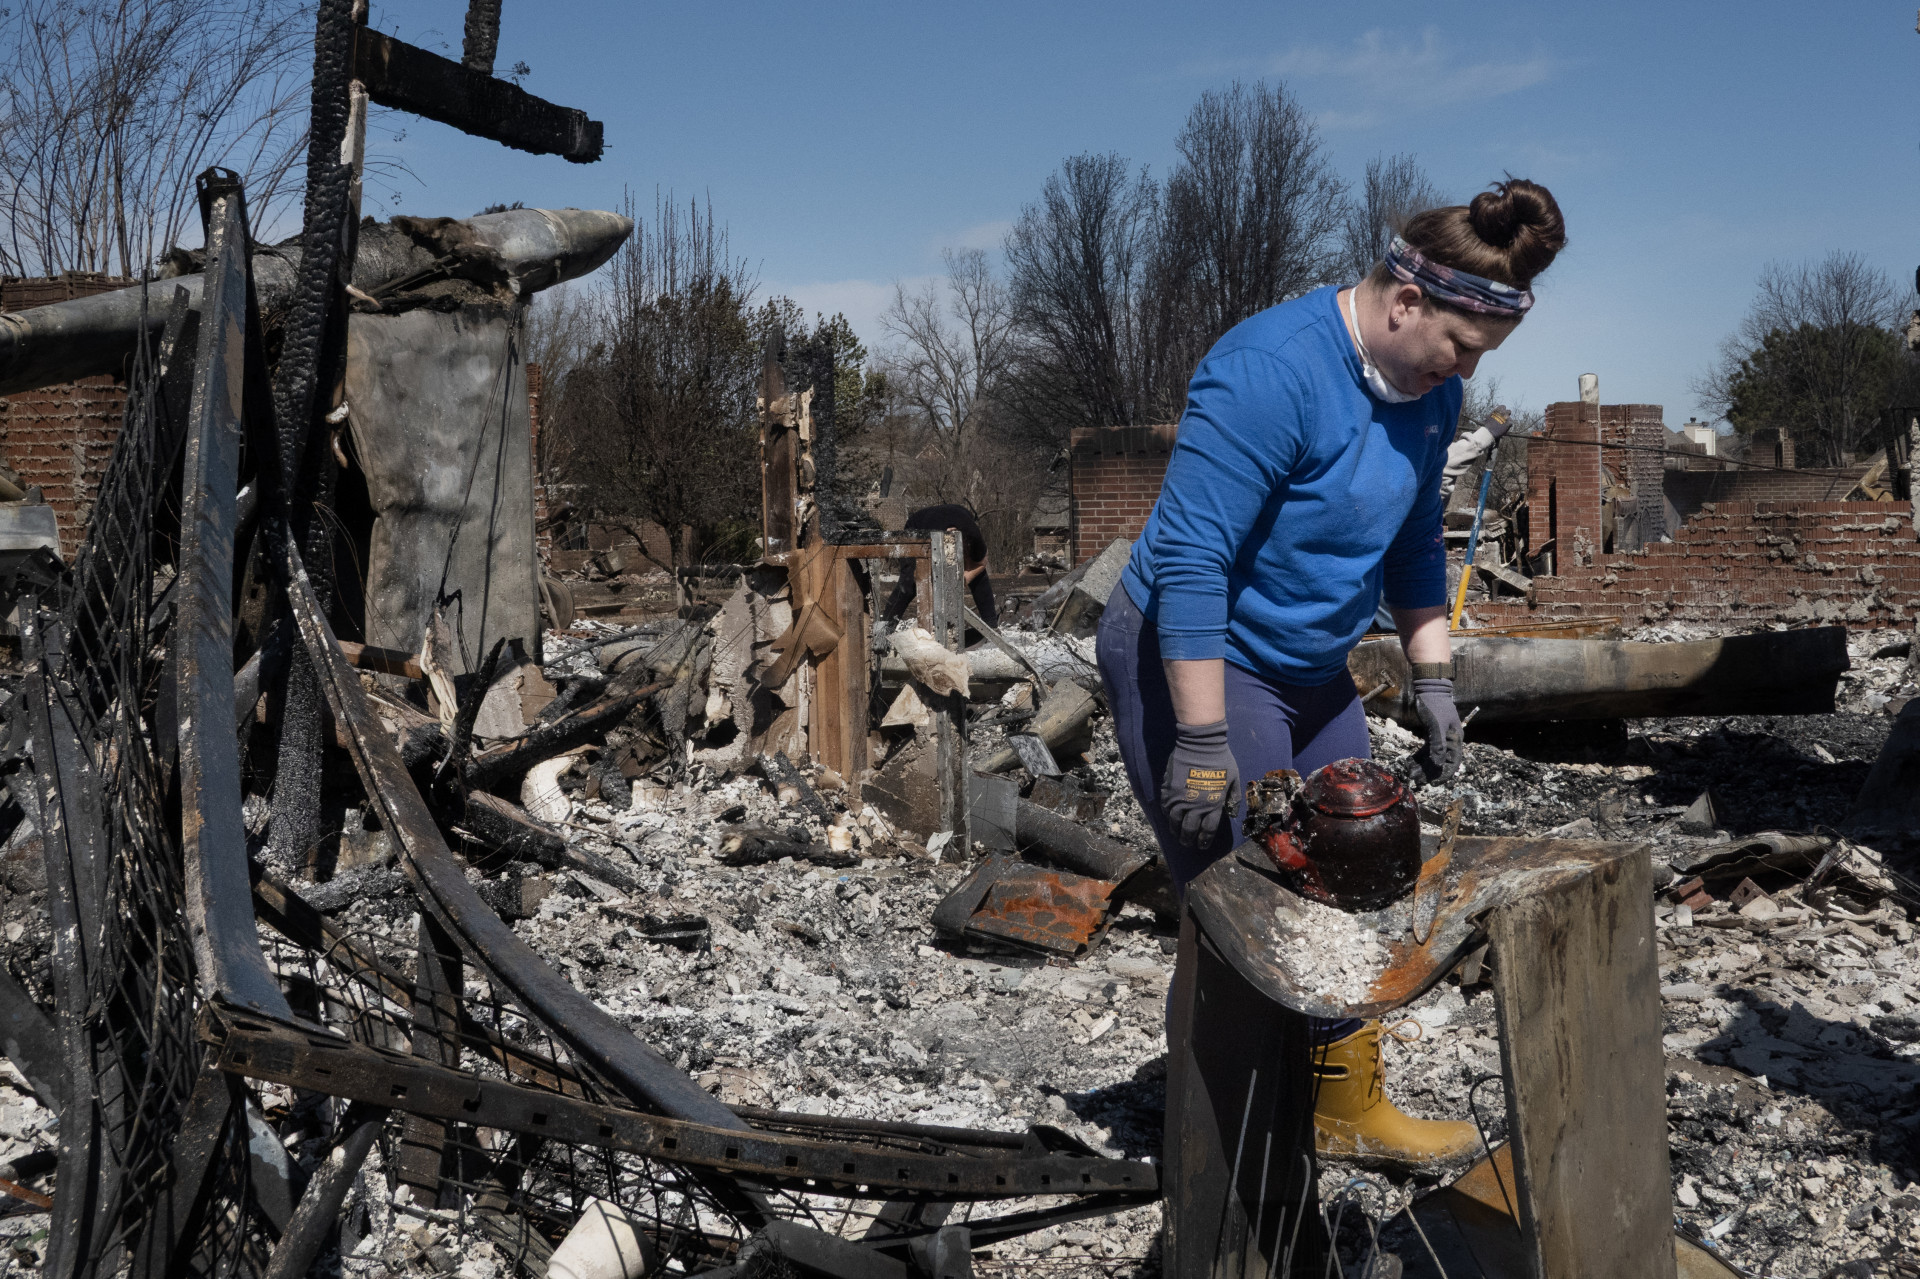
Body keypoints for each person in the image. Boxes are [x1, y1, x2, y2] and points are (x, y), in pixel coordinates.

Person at [1096, 179, 1566, 1170]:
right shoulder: (1268, 372)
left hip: (1309, 665)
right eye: (1461, 346)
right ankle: (1222, 1142)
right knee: (1249, 901)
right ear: (1407, 302)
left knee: (1367, 858)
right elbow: (1193, 563)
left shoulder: (1432, 396)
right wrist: (1203, 738)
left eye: (1480, 356)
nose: (1466, 371)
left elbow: (1413, 544)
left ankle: (1342, 1105)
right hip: (1197, 649)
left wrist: (1434, 682)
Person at [882, 502, 997, 628]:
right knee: (909, 584)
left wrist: (965, 579)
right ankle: (885, 628)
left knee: (980, 578)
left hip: (954, 515)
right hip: (916, 529)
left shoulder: (975, 538)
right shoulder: (934, 533)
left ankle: (991, 625)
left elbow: (982, 563)